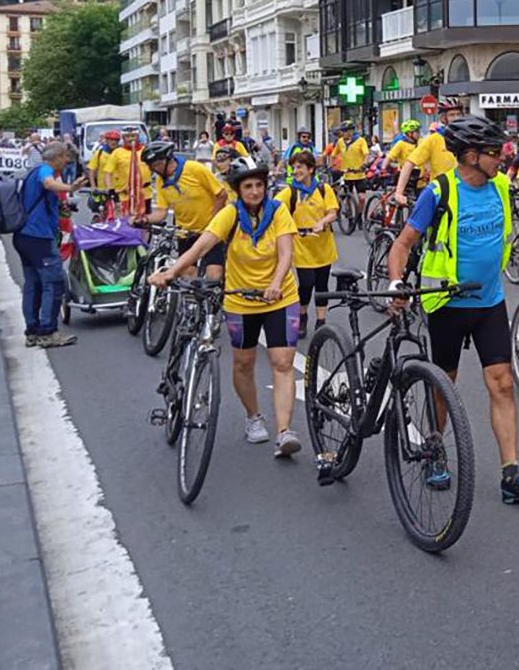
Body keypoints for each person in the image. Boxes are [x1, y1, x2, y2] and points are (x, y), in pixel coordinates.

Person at [386, 115, 519, 503]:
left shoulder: (501, 188)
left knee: (503, 383)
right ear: (471, 156)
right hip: (446, 302)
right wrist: (396, 283)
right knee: (445, 385)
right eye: (495, 153)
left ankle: (511, 474)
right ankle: (434, 451)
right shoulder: (440, 192)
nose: (502, 159)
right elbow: (403, 244)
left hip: (489, 301)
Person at [151, 157, 302, 457]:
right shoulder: (230, 214)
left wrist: (275, 282)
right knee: (243, 364)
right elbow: (202, 245)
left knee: (283, 363)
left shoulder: (279, 211)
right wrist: (171, 272)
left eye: (260, 185)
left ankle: (284, 432)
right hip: (240, 299)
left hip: (280, 297)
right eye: (248, 186)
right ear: (238, 190)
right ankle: (253, 416)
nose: (255, 191)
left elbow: (286, 251)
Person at [13, 143, 86, 348]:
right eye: (66, 157)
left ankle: (32, 331)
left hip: (24, 236)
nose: (67, 162)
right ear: (58, 156)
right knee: (54, 283)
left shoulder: (32, 171)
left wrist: (62, 205)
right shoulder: (45, 169)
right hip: (38, 238)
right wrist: (70, 188)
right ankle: (48, 331)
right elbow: (48, 183)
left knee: (33, 284)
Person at [135, 140, 227, 280]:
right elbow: (161, 213)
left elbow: (221, 194)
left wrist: (212, 223)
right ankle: (197, 301)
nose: (152, 170)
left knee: (214, 276)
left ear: (165, 161)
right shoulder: (161, 181)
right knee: (187, 275)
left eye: (153, 166)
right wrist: (144, 219)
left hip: (210, 232)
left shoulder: (195, 169)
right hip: (186, 233)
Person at [275, 150, 338, 338]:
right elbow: (274, 210)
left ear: (310, 169)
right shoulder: (289, 192)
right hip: (301, 245)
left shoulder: (323, 189)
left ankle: (321, 320)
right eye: (293, 167)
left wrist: (322, 222)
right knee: (306, 283)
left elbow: (333, 212)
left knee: (322, 284)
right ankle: (302, 316)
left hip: (323, 244)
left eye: (300, 167)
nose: (295, 171)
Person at [395, 96, 466, 205]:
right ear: (443, 118)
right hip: (440, 194)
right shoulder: (434, 139)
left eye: (458, 114)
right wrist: (399, 193)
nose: (456, 117)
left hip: (464, 193)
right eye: (452, 115)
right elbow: (409, 163)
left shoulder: (467, 138)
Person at [106, 126, 150, 220]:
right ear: (123, 138)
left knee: (145, 222)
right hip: (124, 195)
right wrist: (111, 191)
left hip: (145, 194)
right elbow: (108, 173)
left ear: (138, 137)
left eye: (133, 136)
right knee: (125, 222)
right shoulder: (117, 153)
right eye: (128, 136)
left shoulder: (146, 150)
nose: (131, 139)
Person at [333, 120, 372, 219]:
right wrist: (332, 167)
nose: (343, 133)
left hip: (359, 174)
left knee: (362, 198)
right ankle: (350, 215)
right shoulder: (340, 142)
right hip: (347, 174)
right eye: (343, 131)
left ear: (351, 131)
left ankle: (359, 215)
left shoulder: (360, 141)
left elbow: (366, 154)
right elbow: (333, 154)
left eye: (345, 131)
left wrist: (364, 164)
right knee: (347, 197)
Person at [385, 120, 423, 192]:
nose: (419, 134)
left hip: (419, 175)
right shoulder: (401, 144)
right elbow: (389, 157)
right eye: (417, 132)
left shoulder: (421, 143)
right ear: (409, 133)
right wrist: (383, 169)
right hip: (405, 175)